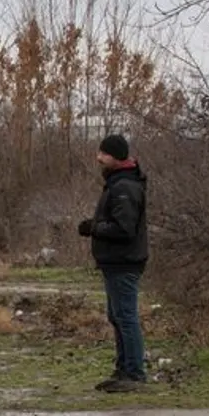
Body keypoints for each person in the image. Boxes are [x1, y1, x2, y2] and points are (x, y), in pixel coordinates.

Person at [78, 133, 149, 393]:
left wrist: (94, 228)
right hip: (115, 262)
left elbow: (124, 229)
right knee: (117, 316)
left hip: (124, 262)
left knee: (126, 317)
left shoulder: (124, 187)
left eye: (103, 154)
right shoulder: (118, 183)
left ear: (114, 156)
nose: (98, 158)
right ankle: (123, 370)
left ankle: (134, 374)